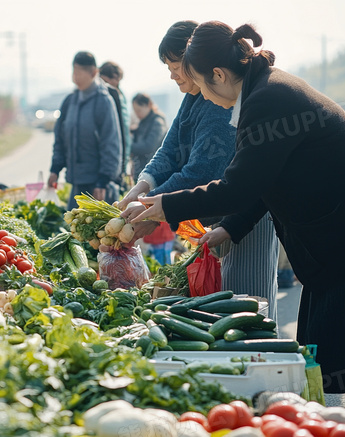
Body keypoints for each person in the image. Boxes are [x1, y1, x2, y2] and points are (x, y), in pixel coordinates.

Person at [128, 21, 345, 437]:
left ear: (220, 76)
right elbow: (263, 185)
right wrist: (231, 228)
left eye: (201, 85)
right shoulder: (263, 91)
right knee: (337, 356)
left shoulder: (267, 100)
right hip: (341, 234)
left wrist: (166, 207)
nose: (203, 96)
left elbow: (239, 186)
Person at [118, 21, 279, 320]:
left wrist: (152, 210)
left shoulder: (220, 98)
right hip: (219, 217)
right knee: (230, 309)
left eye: (175, 65)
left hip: (245, 214)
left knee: (251, 310)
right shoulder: (195, 95)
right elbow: (169, 151)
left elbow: (201, 171)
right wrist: (142, 189)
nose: (172, 74)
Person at [48, 51, 122, 209]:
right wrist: (55, 169)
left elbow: (111, 143)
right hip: (77, 183)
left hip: (98, 187)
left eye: (80, 73)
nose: (76, 77)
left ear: (94, 73)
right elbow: (60, 138)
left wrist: (103, 180)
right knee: (72, 230)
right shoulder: (70, 101)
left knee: (100, 232)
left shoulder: (104, 102)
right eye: (74, 72)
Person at [100, 61, 132, 186]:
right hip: (115, 157)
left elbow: (122, 133)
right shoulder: (114, 94)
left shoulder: (116, 95)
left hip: (117, 157)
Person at [129, 93, 167, 180]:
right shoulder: (143, 122)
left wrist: (128, 147)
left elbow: (149, 146)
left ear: (148, 105)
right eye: (135, 111)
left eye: (139, 110)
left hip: (154, 171)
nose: (137, 114)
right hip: (142, 170)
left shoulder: (158, 122)